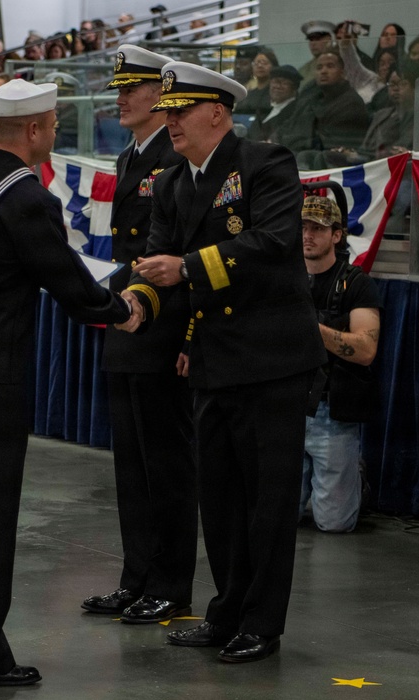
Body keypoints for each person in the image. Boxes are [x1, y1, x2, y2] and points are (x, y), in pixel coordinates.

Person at [0, 78, 138, 687]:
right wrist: (121, 310)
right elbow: (65, 280)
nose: (58, 130)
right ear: (34, 130)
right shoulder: (24, 196)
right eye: (54, 122)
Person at [128, 62, 325, 663]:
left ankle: (262, 623)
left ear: (217, 112)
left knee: (266, 501)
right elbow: (156, 256)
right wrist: (136, 298)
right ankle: (225, 612)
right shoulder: (170, 183)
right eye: (168, 111)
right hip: (213, 358)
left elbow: (270, 244)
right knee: (219, 500)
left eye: (182, 110)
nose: (171, 121)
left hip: (271, 360)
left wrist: (185, 269)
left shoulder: (267, 163)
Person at [81, 46, 197, 624]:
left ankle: (172, 583)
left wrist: (185, 337)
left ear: (163, 95)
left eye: (133, 89)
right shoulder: (131, 157)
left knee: (167, 464)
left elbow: (182, 257)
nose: (121, 99)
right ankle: (137, 576)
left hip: (163, 324)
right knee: (131, 464)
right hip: (127, 319)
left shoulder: (176, 159)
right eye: (119, 89)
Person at [299, 196, 380, 533]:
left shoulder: (356, 284)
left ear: (336, 235)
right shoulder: (284, 278)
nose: (307, 235)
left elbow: (365, 350)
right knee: (271, 518)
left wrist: (311, 330)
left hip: (331, 412)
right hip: (286, 407)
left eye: (317, 229)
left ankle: (354, 479)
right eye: (303, 228)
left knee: (333, 524)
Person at [247, 64, 303, 145]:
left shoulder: (297, 111)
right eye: (275, 82)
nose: (277, 86)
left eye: (284, 83)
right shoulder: (264, 108)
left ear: (294, 87)